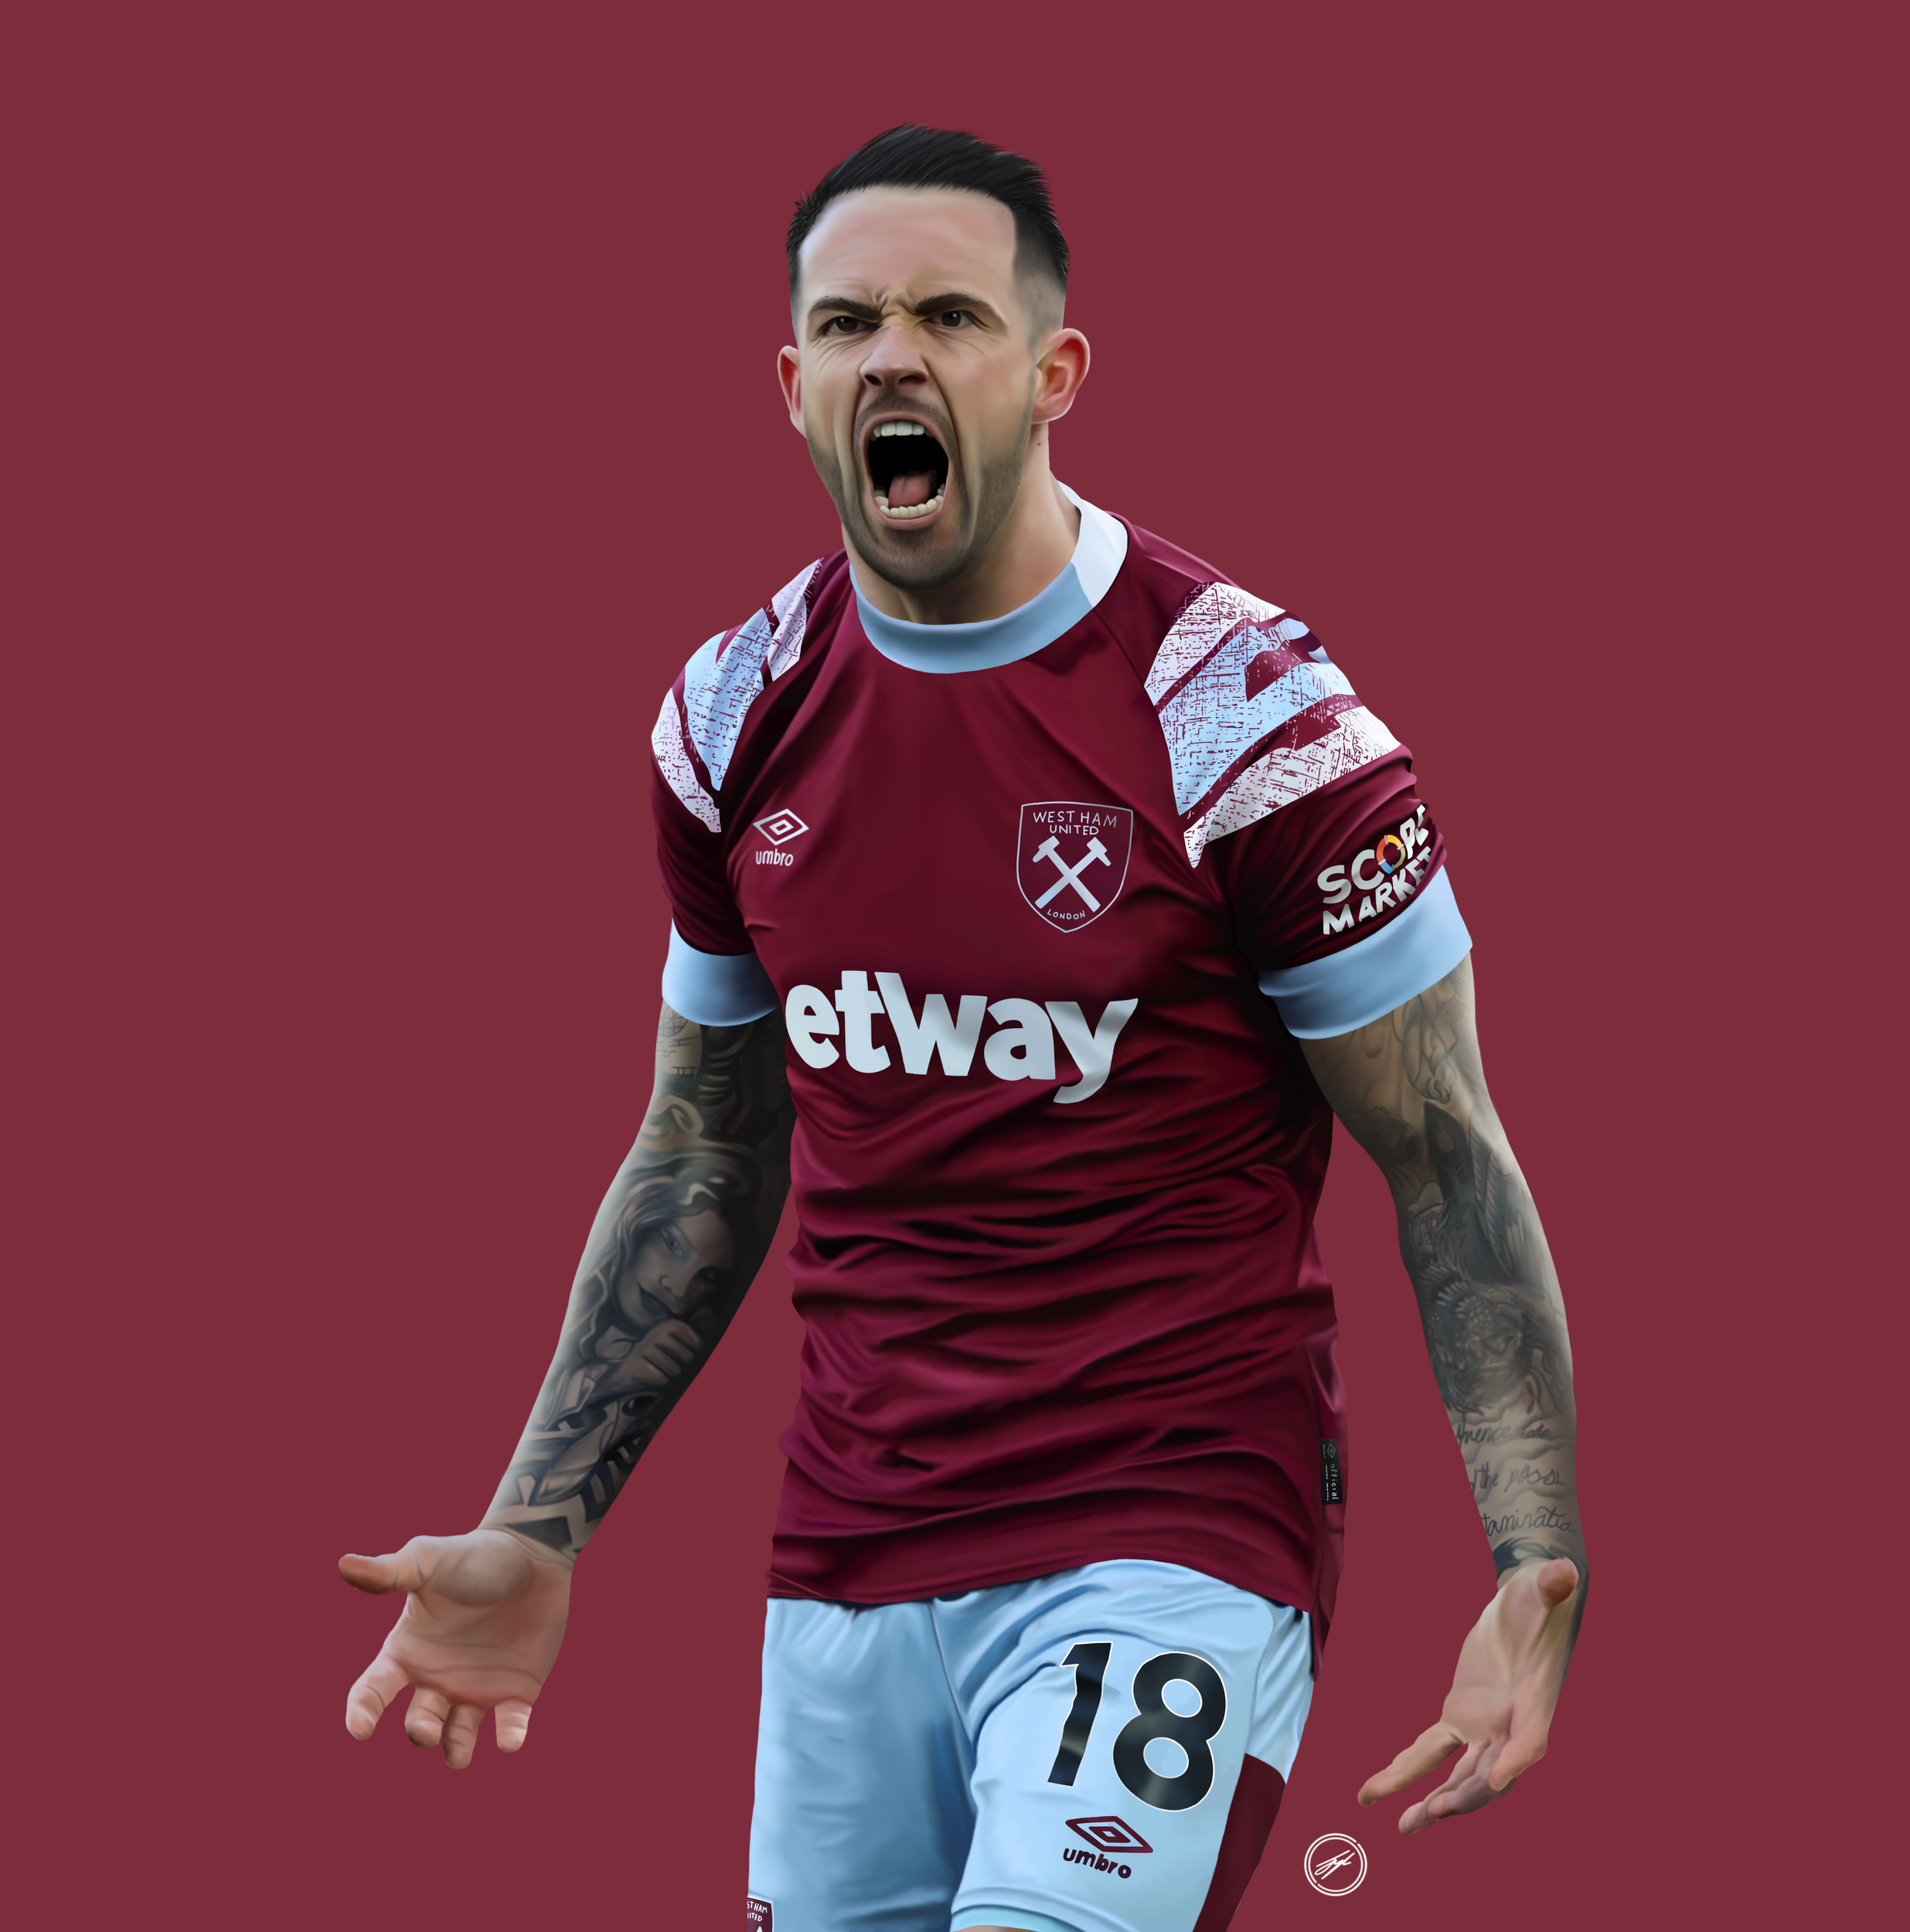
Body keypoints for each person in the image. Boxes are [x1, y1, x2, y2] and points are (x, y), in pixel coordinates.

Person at [339, 125, 1588, 1932]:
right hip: (846, 1555)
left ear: (1052, 371)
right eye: (846, 324)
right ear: (791, 385)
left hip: (1165, 1524)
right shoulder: (729, 718)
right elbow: (705, 1144)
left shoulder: (1246, 720)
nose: (892, 358)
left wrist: (1530, 1555)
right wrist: (539, 1528)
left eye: (947, 313)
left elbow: (1445, 1151)